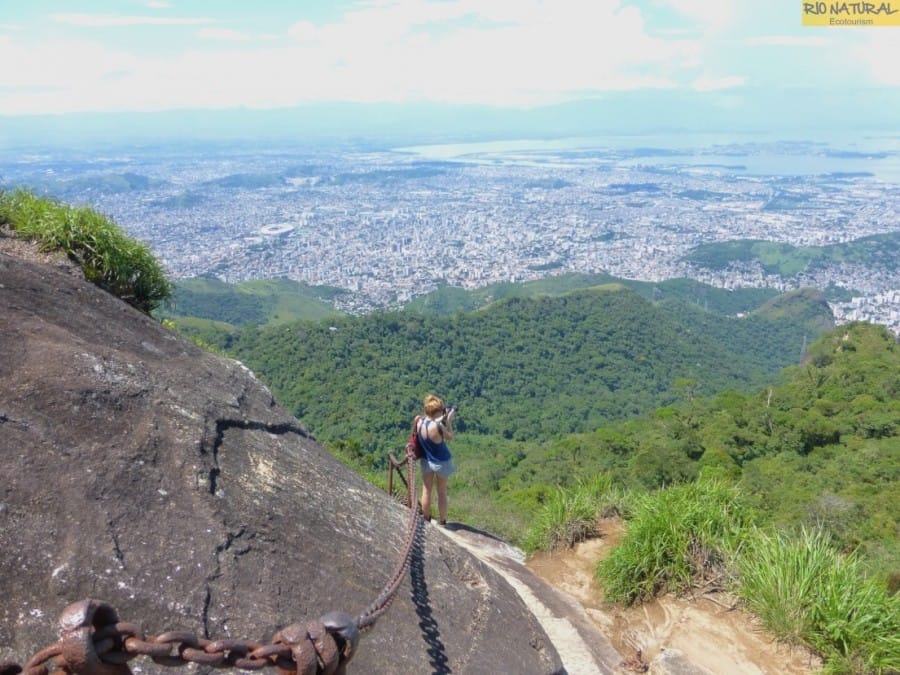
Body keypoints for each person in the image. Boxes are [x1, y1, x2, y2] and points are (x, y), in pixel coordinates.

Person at [416, 394, 456, 526]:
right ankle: (442, 521)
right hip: (441, 462)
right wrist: (448, 422)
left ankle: (426, 517)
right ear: (437, 412)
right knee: (442, 492)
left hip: (426, 460)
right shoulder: (438, 427)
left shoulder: (419, 422)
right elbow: (450, 437)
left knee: (426, 489)